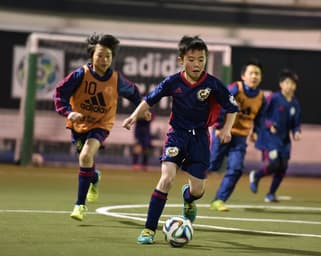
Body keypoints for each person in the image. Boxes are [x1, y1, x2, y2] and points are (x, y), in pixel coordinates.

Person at [122, 35, 239, 244]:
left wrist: (228, 129)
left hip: (201, 140)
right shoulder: (173, 81)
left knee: (198, 191)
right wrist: (133, 116)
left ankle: (189, 199)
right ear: (181, 60)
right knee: (166, 179)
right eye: (192, 59)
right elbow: (149, 100)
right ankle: (149, 230)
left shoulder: (212, 84)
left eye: (201, 59)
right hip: (176, 135)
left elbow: (232, 108)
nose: (197, 64)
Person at [53, 33, 147, 221]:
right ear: (91, 56)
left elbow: (135, 93)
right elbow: (59, 94)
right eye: (100, 55)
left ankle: (79, 205)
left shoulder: (116, 79)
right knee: (85, 160)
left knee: (86, 156)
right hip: (78, 124)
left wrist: (142, 109)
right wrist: (69, 112)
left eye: (108, 56)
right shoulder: (80, 75)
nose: (104, 60)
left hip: (101, 124)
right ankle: (94, 177)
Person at [209, 59, 265, 212]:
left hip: (240, 137)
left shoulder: (261, 97)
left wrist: (256, 132)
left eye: (257, 74)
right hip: (223, 132)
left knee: (236, 168)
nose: (254, 76)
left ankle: (219, 200)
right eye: (251, 73)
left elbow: (260, 117)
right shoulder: (235, 89)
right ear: (243, 76)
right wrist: (219, 127)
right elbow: (220, 104)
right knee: (212, 164)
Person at [249, 69, 302, 203]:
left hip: (284, 140)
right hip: (270, 139)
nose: (290, 86)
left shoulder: (295, 103)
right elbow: (262, 115)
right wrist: (269, 125)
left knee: (283, 167)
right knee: (274, 164)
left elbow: (296, 123)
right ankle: (256, 175)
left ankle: (270, 194)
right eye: (287, 83)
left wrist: (297, 131)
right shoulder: (273, 98)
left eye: (293, 83)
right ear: (281, 84)